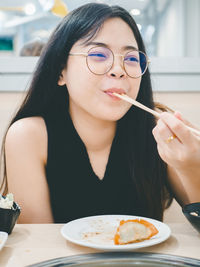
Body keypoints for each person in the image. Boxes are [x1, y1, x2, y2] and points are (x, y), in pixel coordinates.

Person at [0, 3, 200, 223]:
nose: (118, 69)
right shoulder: (29, 136)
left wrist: (191, 165)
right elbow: (38, 245)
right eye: (98, 55)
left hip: (142, 260)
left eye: (132, 58)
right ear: (60, 71)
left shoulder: (160, 131)